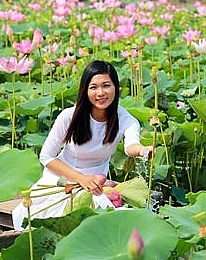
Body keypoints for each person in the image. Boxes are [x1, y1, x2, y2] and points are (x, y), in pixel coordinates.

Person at [12, 60, 153, 230]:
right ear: (85, 90)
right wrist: (81, 179)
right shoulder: (69, 116)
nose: (100, 93)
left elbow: (131, 146)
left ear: (116, 87)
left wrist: (143, 150)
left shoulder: (126, 120)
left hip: (97, 183)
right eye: (94, 87)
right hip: (61, 179)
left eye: (106, 85)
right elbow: (46, 156)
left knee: (115, 214)